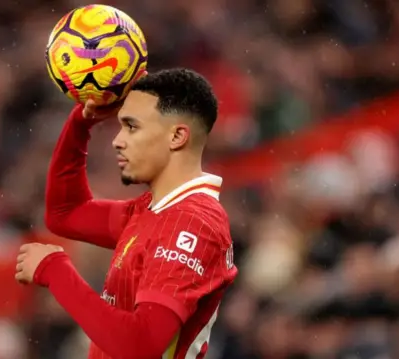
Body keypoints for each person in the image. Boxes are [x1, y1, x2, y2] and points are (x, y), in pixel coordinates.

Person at [15, 68, 238, 359]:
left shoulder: (190, 224)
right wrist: (81, 123)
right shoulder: (152, 211)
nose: (117, 140)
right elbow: (65, 212)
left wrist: (55, 271)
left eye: (132, 127)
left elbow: (141, 346)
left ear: (177, 136)